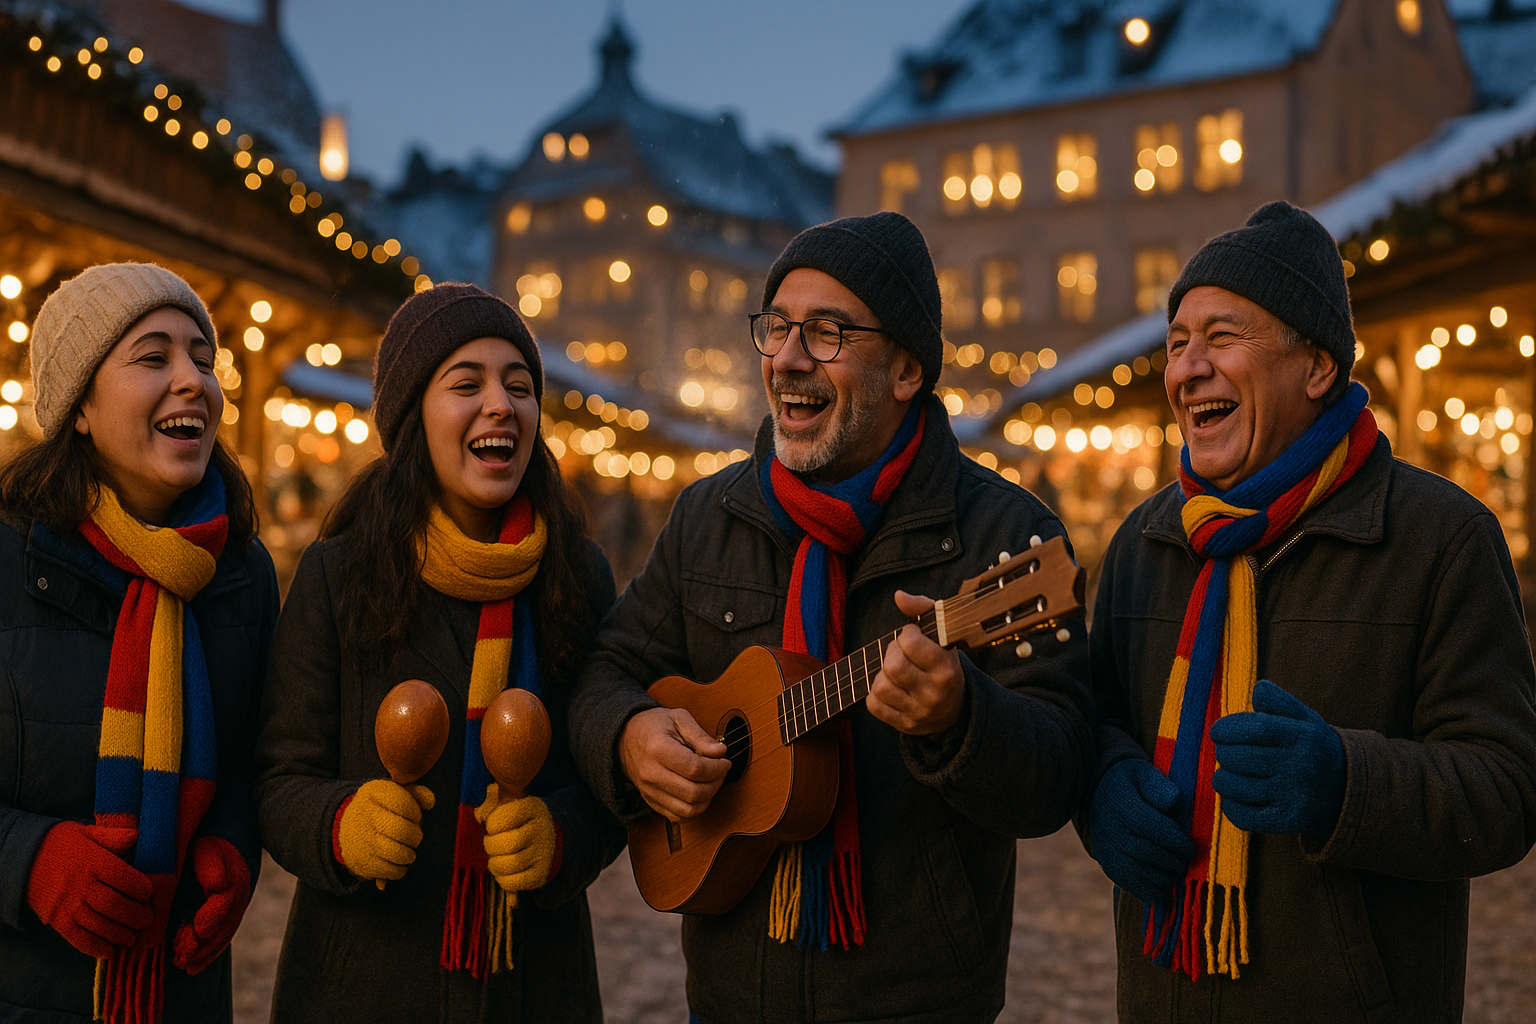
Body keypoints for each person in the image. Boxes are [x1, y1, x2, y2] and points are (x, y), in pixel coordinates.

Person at [568, 211, 1095, 1024]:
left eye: (825, 332)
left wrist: (960, 718)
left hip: (918, 1002)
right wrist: (628, 735)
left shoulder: (1004, 537)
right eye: (777, 328)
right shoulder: (709, 515)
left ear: (907, 370)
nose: (786, 358)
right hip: (729, 996)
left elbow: (1056, 776)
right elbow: (605, 671)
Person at [1079, 202, 1536, 1022]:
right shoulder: (1144, 543)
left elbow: (1507, 792)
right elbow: (1091, 722)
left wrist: (1344, 783)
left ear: (1317, 366)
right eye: (1178, 343)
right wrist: (1101, 789)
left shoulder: (1443, 539)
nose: (1188, 369)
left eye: (1222, 337)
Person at [256, 283, 625, 1023]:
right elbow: (276, 778)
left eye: (519, 386)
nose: (501, 404)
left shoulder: (578, 578)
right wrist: (340, 824)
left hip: (533, 983)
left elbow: (608, 782)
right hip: (360, 982)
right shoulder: (338, 574)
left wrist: (560, 839)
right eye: (467, 384)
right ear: (412, 415)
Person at [0, 264, 276, 1023]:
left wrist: (233, 847)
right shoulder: (7, 557)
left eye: (203, 359)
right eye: (153, 358)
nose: (193, 380)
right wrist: (28, 860)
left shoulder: (243, 574)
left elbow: (259, 759)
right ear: (80, 406)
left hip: (179, 992)